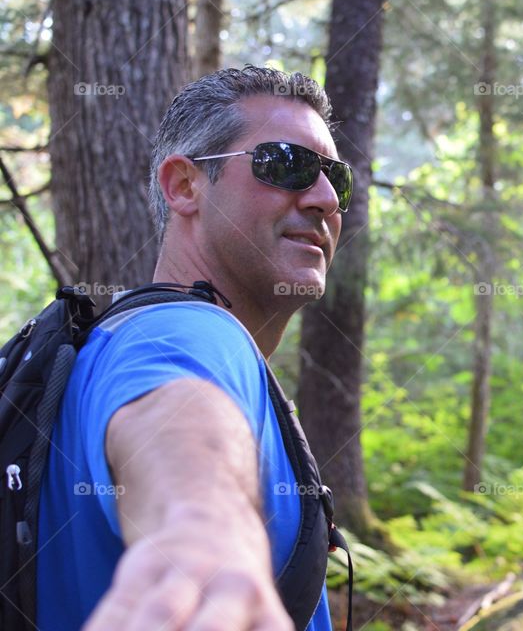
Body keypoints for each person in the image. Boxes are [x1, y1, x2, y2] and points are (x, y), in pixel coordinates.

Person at [35, 66, 353, 631]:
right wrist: (205, 528)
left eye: (337, 179)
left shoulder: (108, 345)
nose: (326, 200)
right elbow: (178, 413)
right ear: (185, 186)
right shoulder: (187, 333)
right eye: (287, 163)